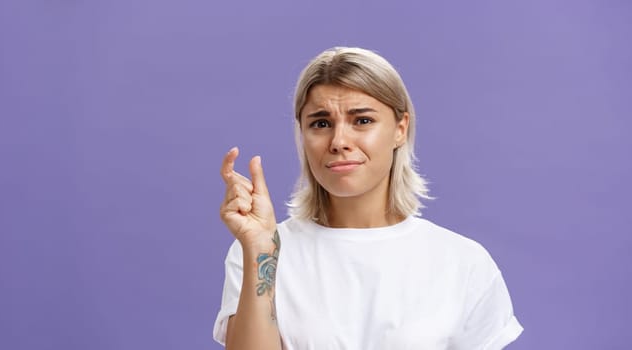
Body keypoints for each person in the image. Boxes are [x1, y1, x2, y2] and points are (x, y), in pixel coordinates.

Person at [214, 47, 523, 349]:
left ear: (400, 128)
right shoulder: (261, 252)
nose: (339, 141)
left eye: (362, 120)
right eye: (320, 124)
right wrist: (259, 249)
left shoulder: (463, 262)